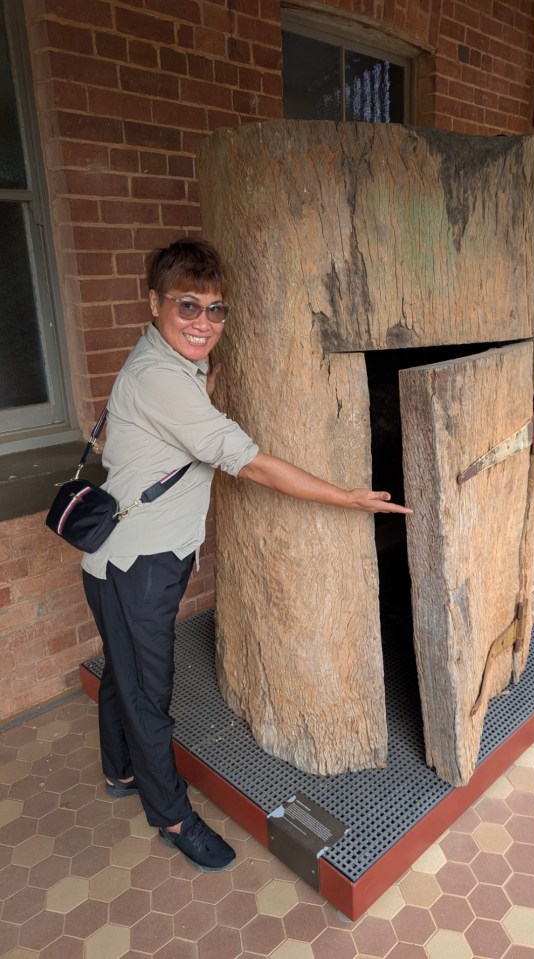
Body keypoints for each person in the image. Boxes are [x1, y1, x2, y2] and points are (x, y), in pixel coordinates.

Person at [81, 237, 411, 872]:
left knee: (125, 673)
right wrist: (345, 497)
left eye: (215, 310)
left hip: (122, 560)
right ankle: (171, 816)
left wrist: (206, 380)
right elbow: (252, 465)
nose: (203, 323)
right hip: (138, 566)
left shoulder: (165, 360)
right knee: (150, 695)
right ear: (154, 303)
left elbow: (179, 401)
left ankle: (120, 770)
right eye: (187, 306)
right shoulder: (161, 380)